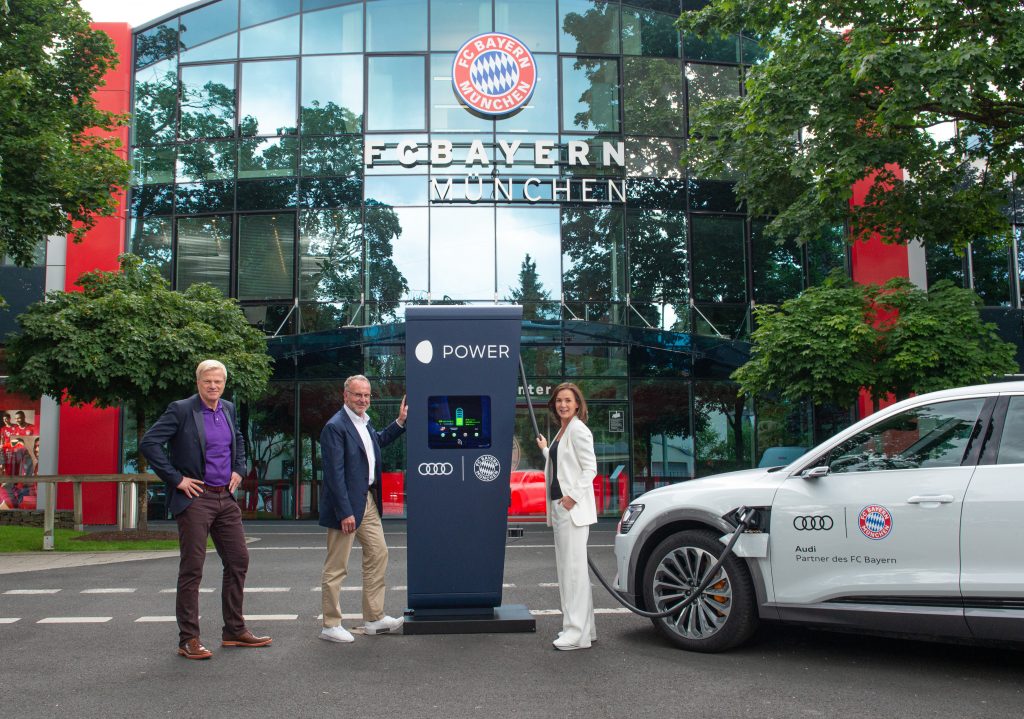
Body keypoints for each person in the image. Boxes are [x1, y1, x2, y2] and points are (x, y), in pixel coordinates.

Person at [140, 359, 272, 660]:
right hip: (195, 498)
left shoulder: (227, 408)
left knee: (239, 560)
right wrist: (176, 479)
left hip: (225, 498)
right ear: (198, 382)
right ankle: (188, 638)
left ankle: (234, 630)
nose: (213, 386)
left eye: (218, 382)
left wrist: (239, 468)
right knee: (192, 569)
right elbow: (150, 443)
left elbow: (237, 439)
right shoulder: (182, 410)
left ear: (224, 383)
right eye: (207, 381)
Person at [319, 374, 407, 643]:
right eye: (358, 395)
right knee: (337, 566)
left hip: (367, 500)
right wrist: (345, 511)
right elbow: (334, 474)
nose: (363, 400)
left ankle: (374, 618)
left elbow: (376, 443)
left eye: (367, 395)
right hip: (345, 503)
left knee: (378, 553)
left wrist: (400, 422)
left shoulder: (364, 424)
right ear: (345, 395)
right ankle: (331, 625)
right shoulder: (335, 427)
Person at [536, 382, 598, 651]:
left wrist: (572, 497)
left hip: (571, 510)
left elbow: (590, 469)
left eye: (568, 400)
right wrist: (545, 449)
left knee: (572, 574)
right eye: (559, 400)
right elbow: (562, 462)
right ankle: (585, 629)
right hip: (562, 509)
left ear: (577, 404)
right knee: (572, 572)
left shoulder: (578, 430)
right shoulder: (563, 431)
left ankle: (575, 633)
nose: (563, 404)